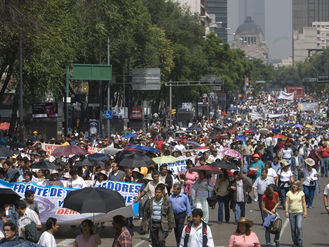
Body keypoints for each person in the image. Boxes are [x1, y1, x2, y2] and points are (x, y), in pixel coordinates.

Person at [285, 180, 307, 247]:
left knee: (299, 227)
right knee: (293, 228)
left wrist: (305, 211)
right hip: (291, 212)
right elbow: (286, 202)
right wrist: (286, 211)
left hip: (299, 212)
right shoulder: (289, 193)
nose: (294, 186)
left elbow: (304, 202)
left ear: (298, 186)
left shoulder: (301, 193)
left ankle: (300, 242)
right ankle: (295, 242)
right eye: (294, 184)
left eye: (296, 185)